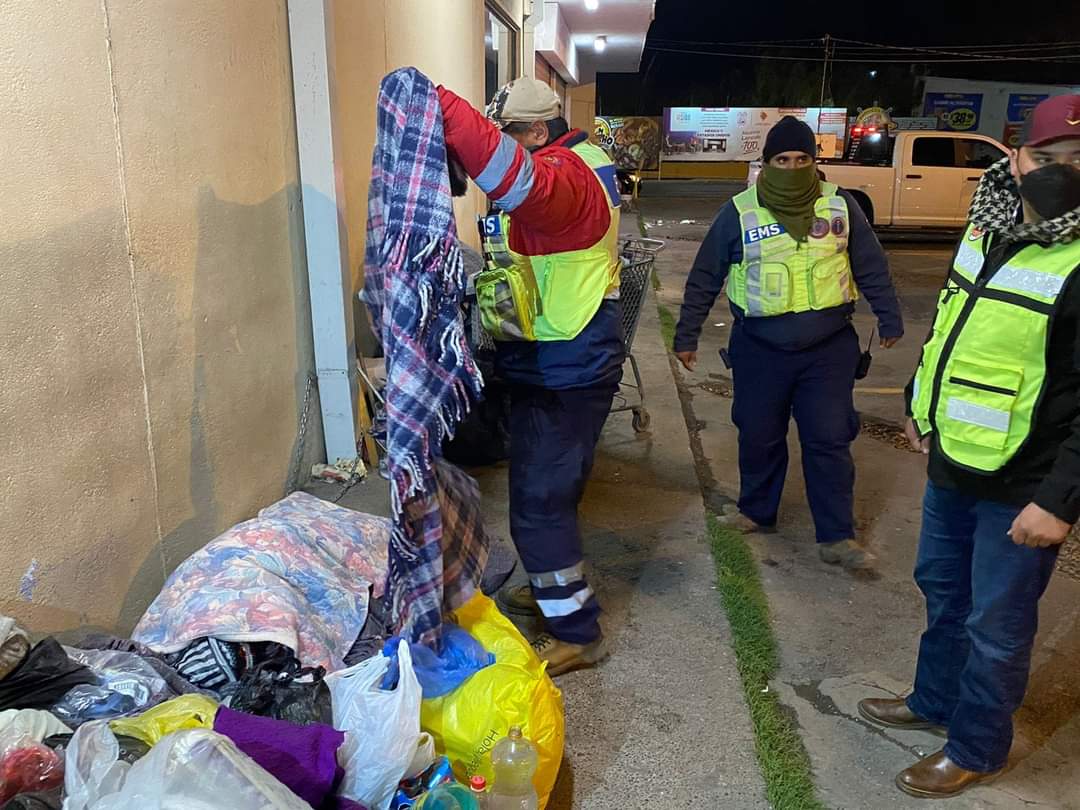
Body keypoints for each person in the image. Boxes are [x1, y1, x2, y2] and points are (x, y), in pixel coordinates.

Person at [858, 95, 1080, 799]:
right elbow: (950, 323)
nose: (1059, 177)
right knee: (943, 592)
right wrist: (918, 407)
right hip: (956, 460)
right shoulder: (986, 226)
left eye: (1078, 165)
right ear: (1016, 158)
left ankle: (978, 746)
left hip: (1027, 485)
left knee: (997, 624)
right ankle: (933, 701)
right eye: (1047, 160)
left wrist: (1060, 502)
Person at [437, 77, 624, 676]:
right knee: (556, 490)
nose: (508, 149)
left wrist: (439, 106)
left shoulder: (564, 176)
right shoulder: (584, 162)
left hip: (565, 361)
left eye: (512, 136)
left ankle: (576, 630)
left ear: (537, 132)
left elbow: (519, 182)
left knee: (538, 501)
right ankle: (553, 590)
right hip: (563, 353)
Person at [674, 116, 903, 568]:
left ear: (815, 163)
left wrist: (889, 315)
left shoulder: (840, 207)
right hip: (760, 347)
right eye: (783, 159)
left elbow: (870, 264)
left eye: (803, 159)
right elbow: (705, 277)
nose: (793, 166)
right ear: (767, 163)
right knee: (759, 434)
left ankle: (837, 536)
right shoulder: (739, 211)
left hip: (829, 347)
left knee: (829, 437)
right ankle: (756, 512)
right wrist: (688, 334)